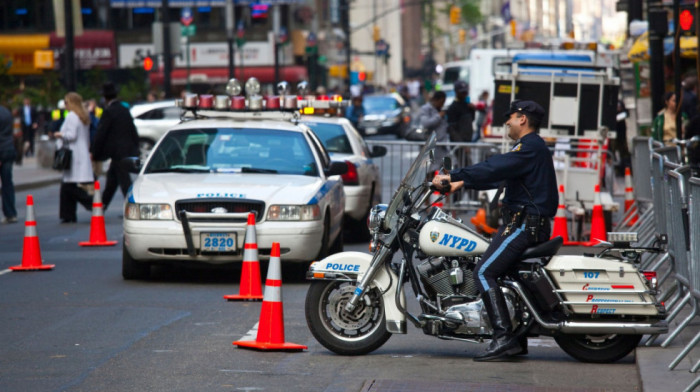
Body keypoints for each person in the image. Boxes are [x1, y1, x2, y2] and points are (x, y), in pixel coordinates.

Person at [432, 100, 558, 362]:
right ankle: (517, 337)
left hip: (524, 224)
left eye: (510, 117)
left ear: (522, 119)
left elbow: (495, 167)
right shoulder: (530, 148)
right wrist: (461, 182)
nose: (507, 122)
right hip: (522, 222)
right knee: (502, 274)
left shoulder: (529, 147)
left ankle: (503, 338)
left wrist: (453, 174)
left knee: (484, 271)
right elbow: (497, 176)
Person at [92, 82, 140, 210]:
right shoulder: (124, 109)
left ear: (105, 97)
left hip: (116, 152)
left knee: (124, 182)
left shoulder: (108, 112)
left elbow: (101, 133)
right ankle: (102, 206)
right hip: (125, 151)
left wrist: (94, 152)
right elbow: (132, 130)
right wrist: (136, 147)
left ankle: (133, 208)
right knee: (112, 181)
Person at [53, 92, 94, 223]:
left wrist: (59, 134)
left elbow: (71, 135)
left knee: (68, 186)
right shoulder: (83, 116)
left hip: (73, 154)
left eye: (66, 102)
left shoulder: (71, 116)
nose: (64, 105)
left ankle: (91, 204)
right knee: (68, 186)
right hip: (81, 153)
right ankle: (68, 214)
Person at [416, 91, 449, 166]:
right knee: (431, 168)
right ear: (435, 100)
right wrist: (439, 116)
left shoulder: (440, 109)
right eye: (441, 102)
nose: (442, 104)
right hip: (431, 145)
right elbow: (426, 123)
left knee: (445, 167)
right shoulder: (426, 109)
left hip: (442, 144)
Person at [0, 103, 18, 224]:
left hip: (1, 149)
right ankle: (11, 213)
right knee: (7, 183)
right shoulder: (6, 111)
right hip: (9, 148)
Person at [613, 99, 631, 175]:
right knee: (613, 151)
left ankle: (625, 169)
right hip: (614, 133)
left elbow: (626, 113)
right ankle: (617, 170)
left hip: (622, 134)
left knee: (624, 153)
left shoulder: (620, 102)